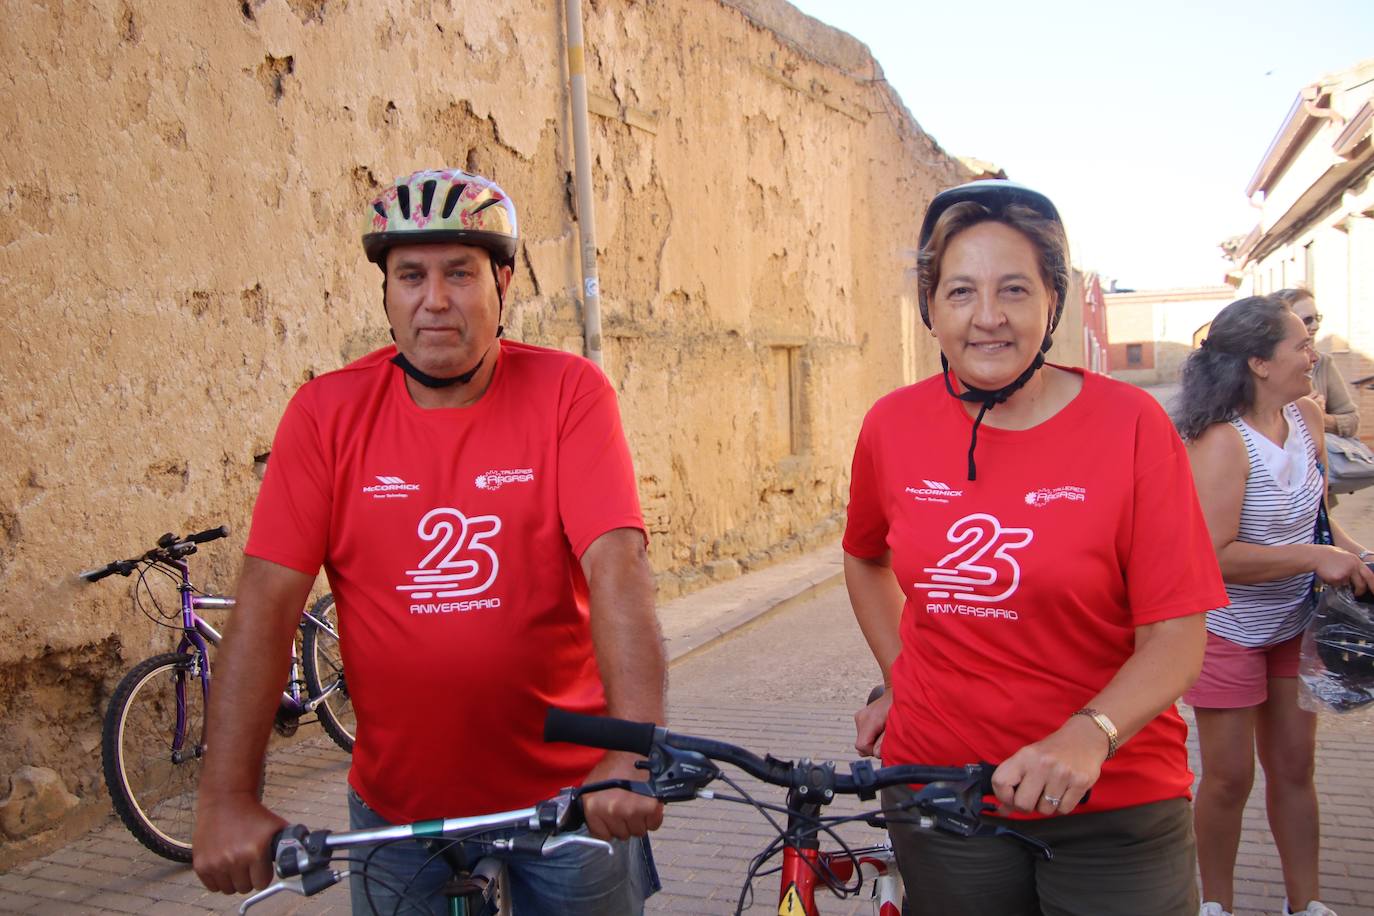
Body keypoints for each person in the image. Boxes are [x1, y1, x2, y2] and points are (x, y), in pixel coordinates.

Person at [191, 168, 666, 914]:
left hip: (572, 795)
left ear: (503, 283)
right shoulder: (326, 415)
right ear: (386, 292)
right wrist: (226, 797)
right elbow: (265, 605)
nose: (434, 299)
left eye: (460, 274)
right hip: (399, 810)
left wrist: (630, 752)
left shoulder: (569, 394)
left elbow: (617, 568)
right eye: (410, 275)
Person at [844, 180, 1228, 916]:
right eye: (959, 292)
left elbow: (1177, 636)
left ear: (1052, 300)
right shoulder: (892, 426)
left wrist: (1091, 734)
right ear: (930, 307)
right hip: (941, 797)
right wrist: (903, 676)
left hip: (1112, 803)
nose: (987, 317)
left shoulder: (1132, 426)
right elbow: (865, 557)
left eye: (1013, 289)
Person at [1175, 294, 1374, 916]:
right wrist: (1317, 561)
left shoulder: (1307, 417)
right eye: (1302, 344)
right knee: (1230, 779)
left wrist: (1350, 551)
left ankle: (1305, 903)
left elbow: (1312, 521)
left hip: (1294, 622)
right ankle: (1217, 906)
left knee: (1294, 770)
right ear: (1260, 362)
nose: (1314, 354)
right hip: (1225, 629)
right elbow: (1212, 554)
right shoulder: (1221, 443)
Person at [1272, 288, 1360, 438]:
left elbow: (1352, 420)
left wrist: (1321, 418)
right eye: (1307, 320)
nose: (1316, 326)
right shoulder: (1265, 368)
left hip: (1320, 456)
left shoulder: (1323, 363)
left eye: (1317, 318)